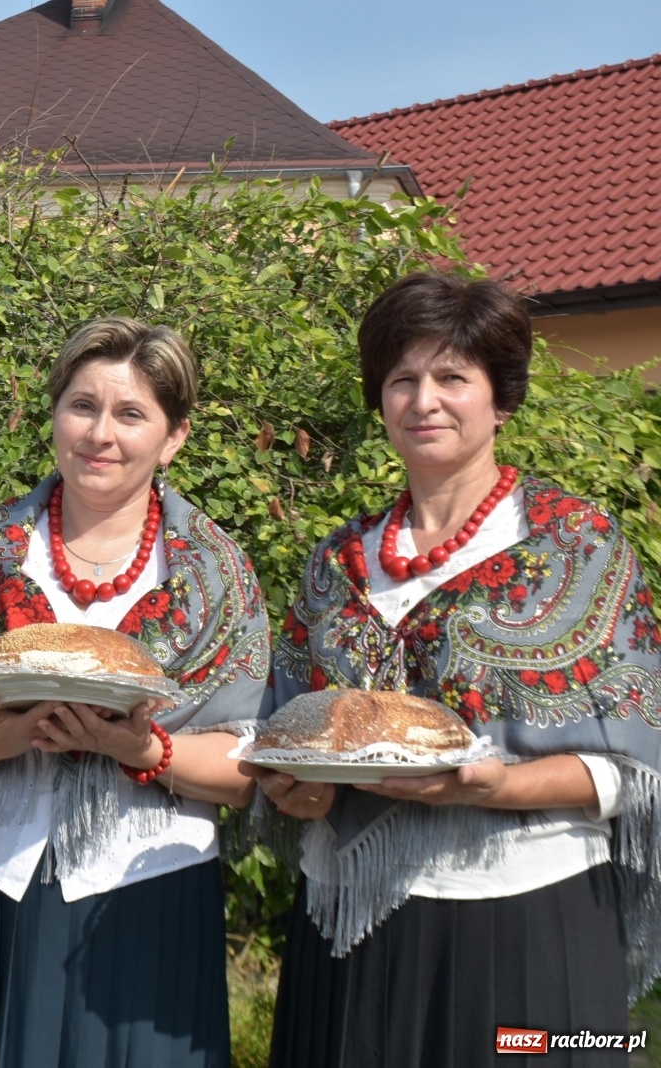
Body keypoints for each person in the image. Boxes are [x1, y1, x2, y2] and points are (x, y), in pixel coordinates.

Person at [251, 272, 661, 1068]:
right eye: (402, 380)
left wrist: (496, 784)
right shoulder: (336, 562)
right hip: (351, 916)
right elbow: (296, 736)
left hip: (526, 912)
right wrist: (293, 786)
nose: (424, 400)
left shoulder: (577, 547)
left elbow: (636, 765)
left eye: (451, 378)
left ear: (500, 399)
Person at [0, 317, 271, 1067]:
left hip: (146, 896)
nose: (101, 433)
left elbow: (244, 764)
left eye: (131, 414)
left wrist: (141, 748)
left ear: (174, 437)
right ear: (54, 413)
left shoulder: (215, 574)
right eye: (82, 406)